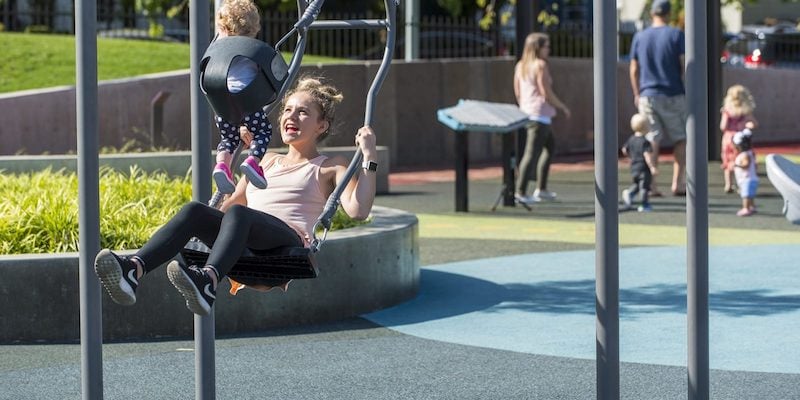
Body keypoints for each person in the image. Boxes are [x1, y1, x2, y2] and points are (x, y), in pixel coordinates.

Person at [94, 77, 379, 316]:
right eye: (288, 110)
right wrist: (239, 156)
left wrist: (369, 156)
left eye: (303, 112)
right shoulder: (264, 160)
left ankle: (208, 281)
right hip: (245, 252)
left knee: (241, 214)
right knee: (196, 210)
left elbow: (358, 210)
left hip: (285, 249)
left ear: (322, 125)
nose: (292, 117)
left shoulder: (329, 166)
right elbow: (229, 209)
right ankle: (133, 269)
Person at [209, 0, 272, 194]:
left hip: (221, 103)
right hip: (246, 101)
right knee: (263, 131)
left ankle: (221, 166)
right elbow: (266, 70)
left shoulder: (216, 49)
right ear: (253, 29)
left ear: (222, 27)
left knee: (228, 139)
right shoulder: (251, 49)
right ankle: (253, 161)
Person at [629, 0, 686, 197]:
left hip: (647, 94)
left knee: (651, 139)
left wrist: (637, 93)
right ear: (668, 14)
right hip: (673, 93)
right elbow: (682, 64)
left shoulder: (640, 36)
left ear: (652, 13)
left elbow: (634, 68)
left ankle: (651, 183)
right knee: (680, 139)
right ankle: (677, 184)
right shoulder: (676, 35)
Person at [513, 32, 571, 205]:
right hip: (539, 115)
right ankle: (520, 191)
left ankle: (541, 189)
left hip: (528, 112)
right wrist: (562, 106)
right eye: (546, 46)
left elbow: (517, 91)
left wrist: (524, 106)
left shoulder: (521, 65)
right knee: (531, 153)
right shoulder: (540, 65)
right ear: (538, 48)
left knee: (549, 147)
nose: (549, 50)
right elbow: (546, 92)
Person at [720, 84, 757, 194]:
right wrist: (746, 125)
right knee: (741, 161)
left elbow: (723, 126)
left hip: (728, 139)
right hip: (740, 139)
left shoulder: (727, 111)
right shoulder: (745, 112)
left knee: (728, 161)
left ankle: (728, 184)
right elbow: (754, 123)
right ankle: (741, 184)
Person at [621, 113, 657, 212]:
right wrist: (652, 167)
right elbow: (647, 155)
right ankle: (644, 205)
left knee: (637, 184)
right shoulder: (645, 142)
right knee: (644, 187)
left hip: (634, 167)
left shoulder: (631, 139)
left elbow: (624, 149)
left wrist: (632, 157)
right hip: (643, 168)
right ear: (646, 127)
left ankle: (630, 194)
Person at [732, 129, 758, 217]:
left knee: (746, 195)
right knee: (749, 195)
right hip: (748, 179)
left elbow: (746, 164)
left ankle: (746, 208)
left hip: (747, 179)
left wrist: (737, 165)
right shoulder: (749, 153)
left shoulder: (745, 155)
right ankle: (752, 206)